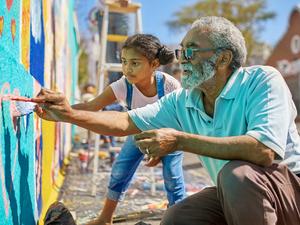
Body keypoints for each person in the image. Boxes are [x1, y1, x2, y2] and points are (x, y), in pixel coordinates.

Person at [34, 16, 300, 225]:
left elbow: (262, 150)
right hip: (235, 193)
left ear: (223, 58)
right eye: (180, 51)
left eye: (190, 52)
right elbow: (126, 122)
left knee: (235, 175)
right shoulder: (184, 99)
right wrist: (68, 115)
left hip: (288, 193)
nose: (181, 60)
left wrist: (179, 141)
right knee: (178, 217)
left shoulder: (262, 80)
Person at [70, 34, 186, 224]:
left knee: (173, 176)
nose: (127, 69)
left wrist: (159, 151)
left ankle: (179, 219)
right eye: (124, 62)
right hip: (139, 132)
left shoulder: (170, 85)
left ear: (154, 64)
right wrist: (63, 110)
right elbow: (92, 106)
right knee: (120, 169)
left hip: (171, 134)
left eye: (134, 63)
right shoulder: (124, 85)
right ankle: (105, 218)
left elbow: (180, 121)